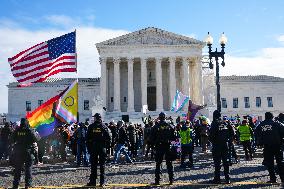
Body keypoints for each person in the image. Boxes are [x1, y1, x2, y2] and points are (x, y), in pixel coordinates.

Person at [11, 118, 40, 189]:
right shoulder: (30, 130)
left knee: (17, 169)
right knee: (28, 169)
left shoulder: (17, 130)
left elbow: (11, 140)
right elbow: (37, 139)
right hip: (28, 152)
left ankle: (15, 185)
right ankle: (28, 185)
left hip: (18, 152)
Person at [255, 112, 284, 183]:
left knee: (270, 163)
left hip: (267, 146)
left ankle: (273, 179)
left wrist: (260, 142)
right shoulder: (277, 123)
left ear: (265, 117)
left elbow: (256, 133)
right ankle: (283, 179)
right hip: (278, 146)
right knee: (280, 163)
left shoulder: (261, 124)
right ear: (272, 116)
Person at [150, 112, 176, 185]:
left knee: (158, 164)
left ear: (159, 117)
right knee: (169, 163)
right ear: (165, 117)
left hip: (159, 146)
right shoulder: (170, 126)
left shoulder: (155, 127)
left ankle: (157, 180)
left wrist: (153, 146)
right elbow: (175, 137)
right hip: (168, 146)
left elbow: (151, 139)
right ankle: (171, 180)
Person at [86, 113, 111, 187]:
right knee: (102, 165)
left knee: (93, 165)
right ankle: (102, 182)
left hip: (94, 147)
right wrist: (107, 147)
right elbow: (109, 138)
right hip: (102, 147)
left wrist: (89, 148)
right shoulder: (104, 126)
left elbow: (87, 139)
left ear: (96, 118)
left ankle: (93, 182)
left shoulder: (91, 126)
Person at [209, 110, 231, 184]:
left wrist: (213, 141)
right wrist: (228, 140)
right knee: (226, 162)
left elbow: (211, 135)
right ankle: (227, 178)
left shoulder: (214, 123)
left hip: (217, 145)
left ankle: (217, 178)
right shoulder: (225, 122)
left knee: (217, 163)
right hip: (225, 144)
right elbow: (232, 132)